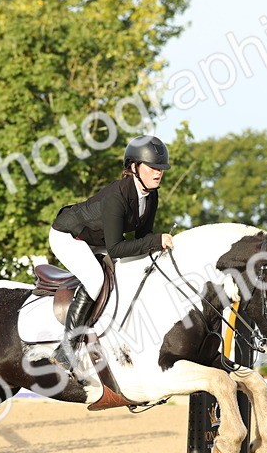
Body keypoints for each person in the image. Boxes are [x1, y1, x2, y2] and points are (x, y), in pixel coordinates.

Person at [48, 135, 175, 367]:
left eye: (161, 168)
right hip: (69, 235)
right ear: (134, 167)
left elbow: (142, 238)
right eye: (152, 167)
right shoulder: (117, 197)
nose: (158, 173)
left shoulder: (151, 194)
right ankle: (67, 349)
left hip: (99, 238)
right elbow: (116, 249)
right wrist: (156, 241)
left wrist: (155, 247)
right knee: (95, 278)